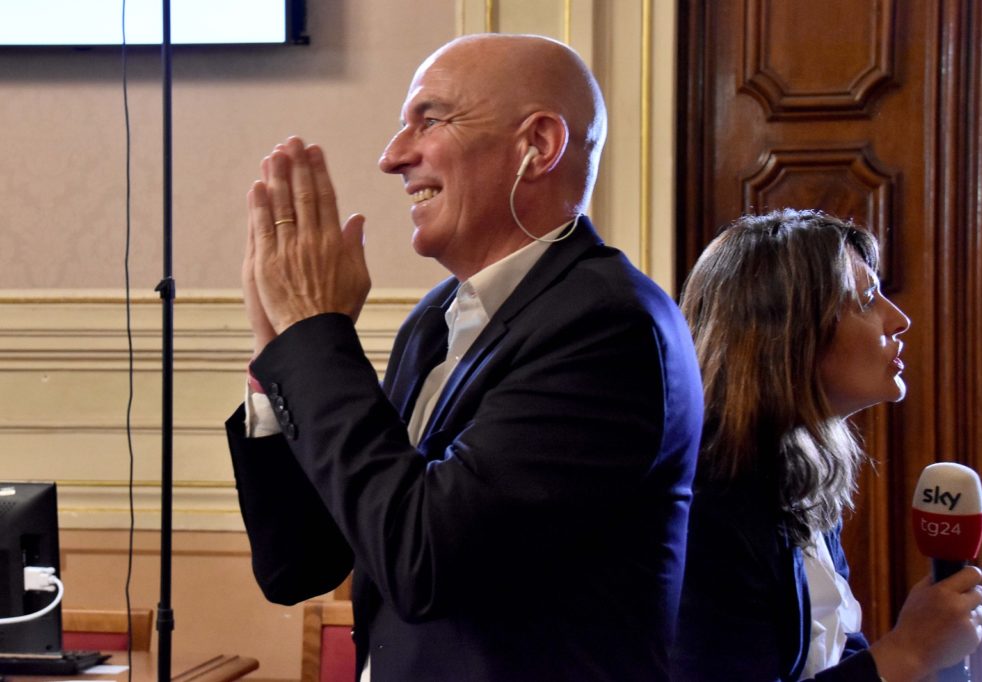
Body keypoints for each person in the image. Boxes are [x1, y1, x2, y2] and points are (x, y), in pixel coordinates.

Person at [225, 33, 704, 681]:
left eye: (430, 120)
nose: (393, 157)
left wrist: (314, 335)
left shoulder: (608, 326)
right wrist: (276, 352)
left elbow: (423, 563)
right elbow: (302, 564)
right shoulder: (435, 321)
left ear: (538, 145)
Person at [671, 208, 982, 681]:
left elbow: (833, 651)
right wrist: (907, 652)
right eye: (867, 299)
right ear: (787, 332)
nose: (899, 320)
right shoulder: (709, 505)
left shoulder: (797, 470)